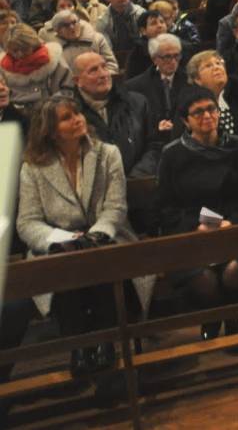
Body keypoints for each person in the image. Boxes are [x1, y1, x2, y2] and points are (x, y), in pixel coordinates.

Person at [16, 95, 150, 382]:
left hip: (107, 237)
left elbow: (115, 207)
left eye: (77, 113)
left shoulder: (107, 154)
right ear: (50, 130)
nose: (78, 119)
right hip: (58, 247)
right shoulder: (33, 168)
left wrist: (95, 236)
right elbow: (27, 222)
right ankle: (79, 345)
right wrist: (62, 238)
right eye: (67, 117)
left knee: (98, 259)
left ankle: (104, 341)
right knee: (65, 265)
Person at [156, 87, 238, 339]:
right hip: (192, 233)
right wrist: (195, 226)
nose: (207, 116)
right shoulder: (172, 154)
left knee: (234, 272)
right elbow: (165, 206)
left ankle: (229, 318)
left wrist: (232, 221)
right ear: (186, 121)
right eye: (198, 112)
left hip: (236, 229)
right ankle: (218, 316)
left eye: (211, 109)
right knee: (203, 278)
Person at [72, 50, 158, 177]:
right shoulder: (70, 113)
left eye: (104, 67)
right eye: (93, 70)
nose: (103, 74)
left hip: (136, 181)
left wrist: (137, 175)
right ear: (77, 80)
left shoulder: (137, 102)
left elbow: (154, 145)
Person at [185, 48, 238, 149]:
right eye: (208, 66)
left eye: (218, 63)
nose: (216, 67)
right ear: (197, 79)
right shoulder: (190, 103)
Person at [126, 32, 188, 136]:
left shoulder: (189, 80)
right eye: (167, 57)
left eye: (176, 56)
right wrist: (155, 127)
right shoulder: (135, 86)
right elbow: (134, 122)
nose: (173, 61)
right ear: (155, 59)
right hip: (152, 139)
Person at [2, 22, 72, 109]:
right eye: (15, 51)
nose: (20, 54)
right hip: (18, 114)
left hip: (54, 111)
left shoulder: (54, 59)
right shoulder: (5, 68)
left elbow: (69, 91)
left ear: (33, 44)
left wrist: (51, 106)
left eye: (24, 49)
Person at [43, 7, 118, 74]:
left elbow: (111, 65)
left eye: (74, 22)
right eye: (66, 25)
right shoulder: (54, 51)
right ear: (58, 31)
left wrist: (102, 77)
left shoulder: (97, 39)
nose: (72, 27)